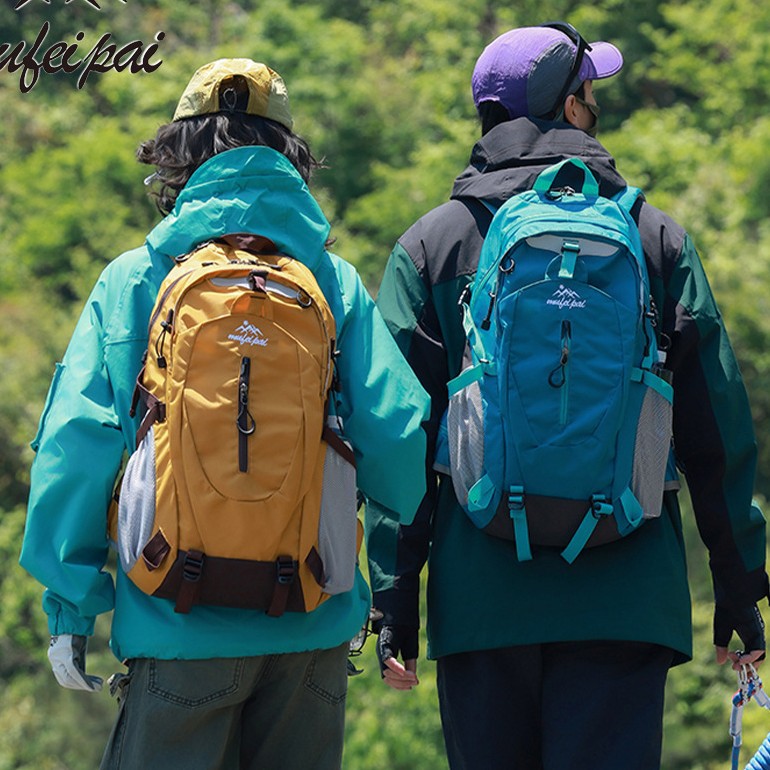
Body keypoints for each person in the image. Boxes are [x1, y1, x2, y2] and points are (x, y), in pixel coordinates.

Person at [366, 22, 769, 770]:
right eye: (590, 90)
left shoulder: (434, 244)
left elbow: (399, 437)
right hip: (625, 599)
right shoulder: (654, 238)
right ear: (569, 105)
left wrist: (394, 598)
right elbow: (715, 420)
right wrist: (739, 581)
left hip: (482, 601)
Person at [20, 58, 429, 770]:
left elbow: (76, 444)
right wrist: (385, 560)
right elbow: (397, 440)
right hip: (310, 625)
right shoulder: (332, 283)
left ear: (176, 156)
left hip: (173, 622)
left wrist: (71, 605)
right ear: (290, 156)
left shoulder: (136, 279)